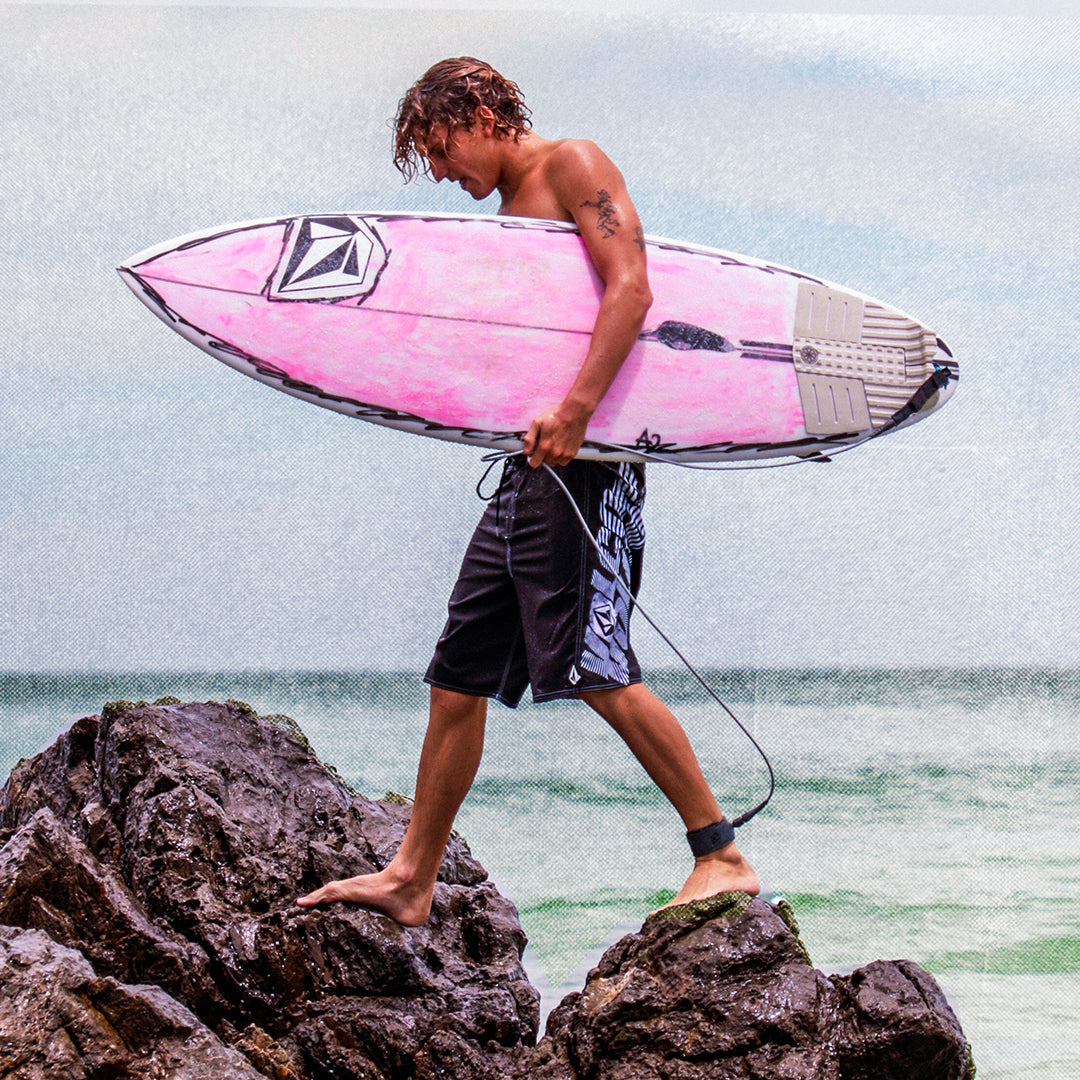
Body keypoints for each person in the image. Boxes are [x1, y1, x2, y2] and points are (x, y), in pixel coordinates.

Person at [297, 58, 759, 925]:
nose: (439, 173)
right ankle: (412, 877)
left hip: (590, 466)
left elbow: (634, 289)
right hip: (529, 468)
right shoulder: (509, 216)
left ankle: (721, 852)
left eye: (439, 149)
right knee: (457, 675)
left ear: (478, 112)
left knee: (594, 664)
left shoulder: (574, 166)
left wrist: (580, 411)